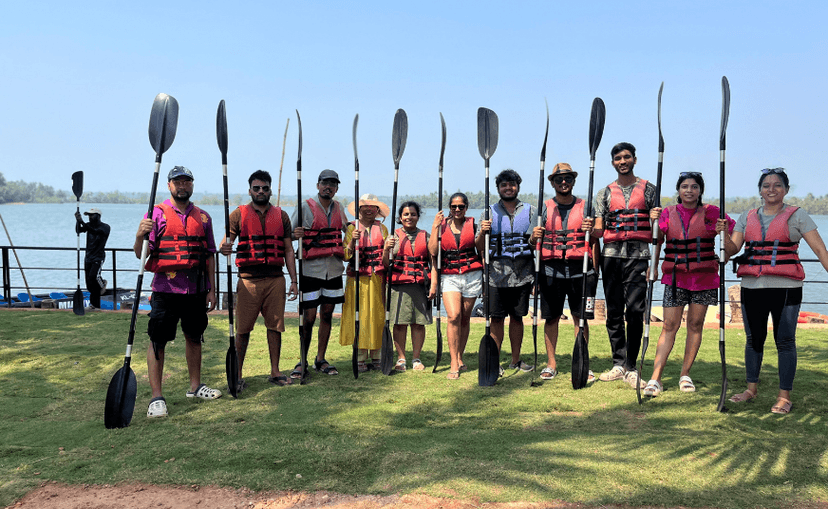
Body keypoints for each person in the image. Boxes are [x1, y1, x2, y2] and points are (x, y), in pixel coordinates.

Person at [722, 168, 828, 414]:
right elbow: (730, 251)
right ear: (760, 190)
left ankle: (784, 395)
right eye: (766, 185)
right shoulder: (747, 217)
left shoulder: (798, 216)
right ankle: (751, 389)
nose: (771, 189)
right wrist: (723, 234)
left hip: (786, 289)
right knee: (753, 340)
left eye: (777, 185)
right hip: (752, 287)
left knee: (785, 341)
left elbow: (821, 252)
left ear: (786, 190)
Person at [135, 166, 220, 419]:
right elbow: (141, 255)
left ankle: (195, 387)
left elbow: (209, 256)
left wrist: (212, 290)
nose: (182, 186)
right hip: (165, 289)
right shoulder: (156, 215)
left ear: (192, 185)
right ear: (169, 185)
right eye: (177, 182)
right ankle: (156, 397)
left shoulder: (203, 218)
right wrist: (139, 236)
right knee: (157, 339)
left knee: (194, 336)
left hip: (195, 289)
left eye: (187, 182)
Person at [642, 172, 735, 396]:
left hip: (704, 278)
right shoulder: (666, 212)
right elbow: (656, 241)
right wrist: (653, 266)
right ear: (679, 190)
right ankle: (656, 378)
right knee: (669, 326)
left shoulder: (713, 213)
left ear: (700, 190)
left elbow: (730, 249)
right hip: (675, 277)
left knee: (695, 325)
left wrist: (724, 232)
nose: (689, 191)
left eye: (694, 187)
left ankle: (685, 374)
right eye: (685, 187)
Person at [220, 170, 299, 390]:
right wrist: (224, 247)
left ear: (270, 190)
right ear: (250, 191)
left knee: (275, 327)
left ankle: (275, 372)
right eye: (257, 188)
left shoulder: (281, 216)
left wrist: (294, 280)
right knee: (243, 329)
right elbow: (226, 242)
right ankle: (237, 374)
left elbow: (288, 250)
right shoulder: (238, 214)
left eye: (265, 188)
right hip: (248, 281)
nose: (261, 191)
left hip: (275, 279)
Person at [593, 142, 657, 389]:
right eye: (618, 158)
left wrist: (655, 219)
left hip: (638, 255)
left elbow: (657, 233)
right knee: (614, 312)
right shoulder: (604, 193)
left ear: (634, 160)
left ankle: (632, 365)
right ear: (613, 163)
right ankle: (618, 363)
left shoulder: (649, 190)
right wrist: (592, 228)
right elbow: (599, 231)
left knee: (634, 311)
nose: (623, 161)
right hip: (611, 256)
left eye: (627, 157)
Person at [530, 163, 600, 382]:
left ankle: (582, 361)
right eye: (559, 179)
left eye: (568, 179)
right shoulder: (543, 209)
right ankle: (551, 364)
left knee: (581, 319)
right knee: (551, 319)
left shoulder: (587, 208)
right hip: (550, 271)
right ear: (551, 182)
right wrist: (535, 235)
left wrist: (595, 271)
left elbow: (597, 237)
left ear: (573, 181)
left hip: (581, 270)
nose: (563, 183)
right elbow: (533, 243)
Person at [291, 169, 348, 378]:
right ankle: (302, 359)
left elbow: (347, 231)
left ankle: (320, 358)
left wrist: (355, 233)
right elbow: (288, 232)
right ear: (318, 185)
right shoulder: (304, 206)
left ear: (336, 188)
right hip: (311, 271)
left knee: (327, 314)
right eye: (325, 183)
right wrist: (294, 233)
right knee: (309, 316)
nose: (328, 187)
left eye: (333, 184)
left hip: (333, 270)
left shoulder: (339, 209)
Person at [480, 169, 537, 373]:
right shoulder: (488, 212)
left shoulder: (531, 211)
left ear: (517, 187)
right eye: (504, 185)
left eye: (511, 184)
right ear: (498, 189)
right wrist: (482, 232)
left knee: (517, 317)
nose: (508, 188)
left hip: (523, 274)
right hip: (496, 275)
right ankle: (494, 362)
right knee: (496, 318)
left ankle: (515, 360)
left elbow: (533, 243)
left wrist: (536, 236)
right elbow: (479, 246)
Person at [428, 192, 485, 380]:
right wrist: (435, 226)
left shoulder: (473, 225)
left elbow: (481, 249)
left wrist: (483, 232)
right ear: (450, 208)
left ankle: (460, 355)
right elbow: (433, 252)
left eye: (461, 206)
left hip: (472, 275)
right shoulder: (442, 226)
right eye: (454, 207)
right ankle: (453, 361)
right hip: (450, 276)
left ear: (466, 208)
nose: (457, 210)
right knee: (453, 316)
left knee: (465, 318)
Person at [383, 201, 438, 372]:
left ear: (418, 217)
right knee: (399, 323)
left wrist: (434, 284)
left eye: (413, 214)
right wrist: (386, 249)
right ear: (400, 218)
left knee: (418, 323)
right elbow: (385, 264)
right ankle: (401, 359)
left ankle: (416, 358)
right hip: (398, 286)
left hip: (420, 286)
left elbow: (433, 262)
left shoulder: (426, 236)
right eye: (406, 214)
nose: (409, 217)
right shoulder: (393, 237)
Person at [339, 194, 390, 371]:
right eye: (365, 206)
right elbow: (346, 256)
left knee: (376, 315)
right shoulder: (351, 229)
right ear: (359, 209)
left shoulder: (382, 229)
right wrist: (353, 240)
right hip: (357, 280)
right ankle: (360, 356)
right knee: (358, 316)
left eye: (373, 207)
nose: (369, 209)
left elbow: (387, 259)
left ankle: (377, 355)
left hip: (377, 279)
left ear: (377, 210)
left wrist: (389, 248)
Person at [74, 207, 111, 309]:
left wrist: (82, 221)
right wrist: (78, 221)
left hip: (98, 257)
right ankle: (94, 305)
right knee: (89, 284)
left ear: (98, 216)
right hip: (88, 257)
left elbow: (95, 231)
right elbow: (78, 230)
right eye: (89, 215)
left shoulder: (105, 227)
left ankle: (102, 283)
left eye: (92, 215)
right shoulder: (88, 225)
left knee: (93, 277)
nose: (90, 217)